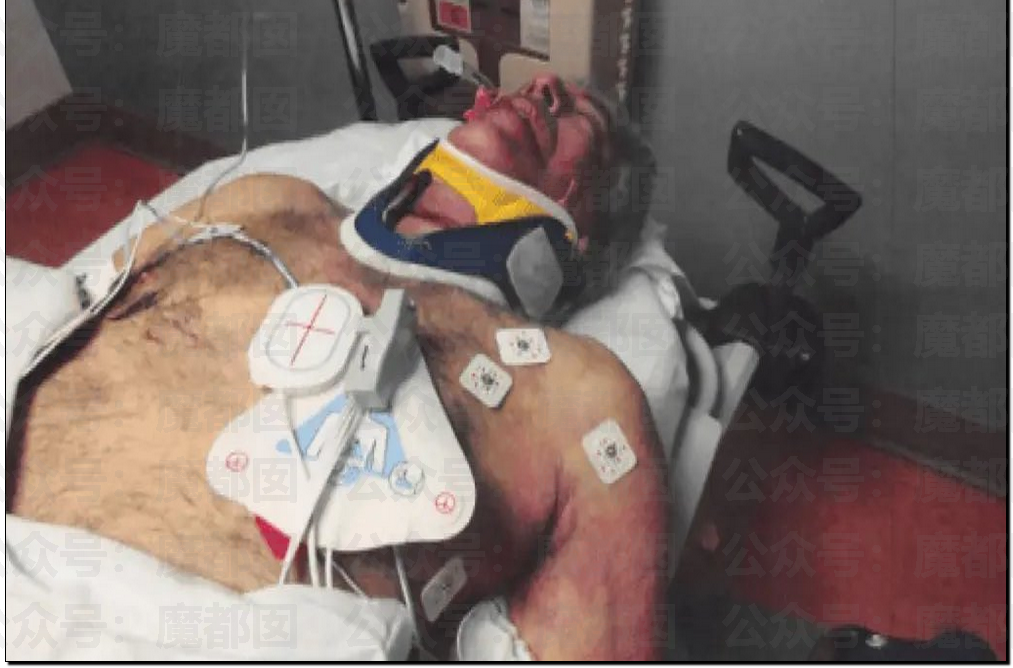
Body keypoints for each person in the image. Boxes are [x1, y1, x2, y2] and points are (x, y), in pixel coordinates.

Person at [7, 75, 669, 660]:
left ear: (588, 233)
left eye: (580, 113)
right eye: (522, 88)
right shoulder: (269, 200)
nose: (540, 87)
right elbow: (64, 309)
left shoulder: (580, 396)